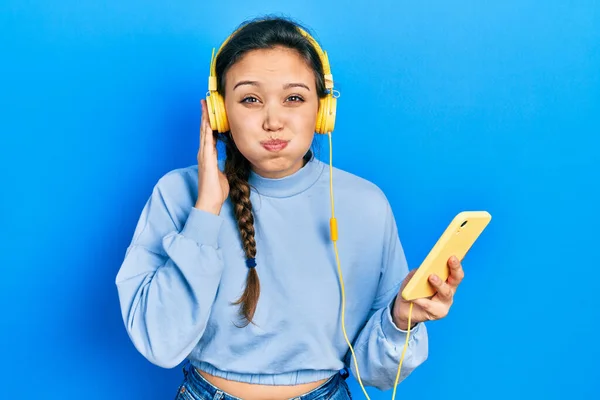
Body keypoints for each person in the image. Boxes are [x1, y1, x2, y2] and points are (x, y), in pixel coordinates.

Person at [115, 16, 465, 400]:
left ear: (322, 110)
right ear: (219, 112)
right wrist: (205, 211)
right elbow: (160, 344)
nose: (273, 120)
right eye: (250, 99)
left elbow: (375, 375)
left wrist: (400, 321)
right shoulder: (178, 194)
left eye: (294, 98)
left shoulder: (366, 205)